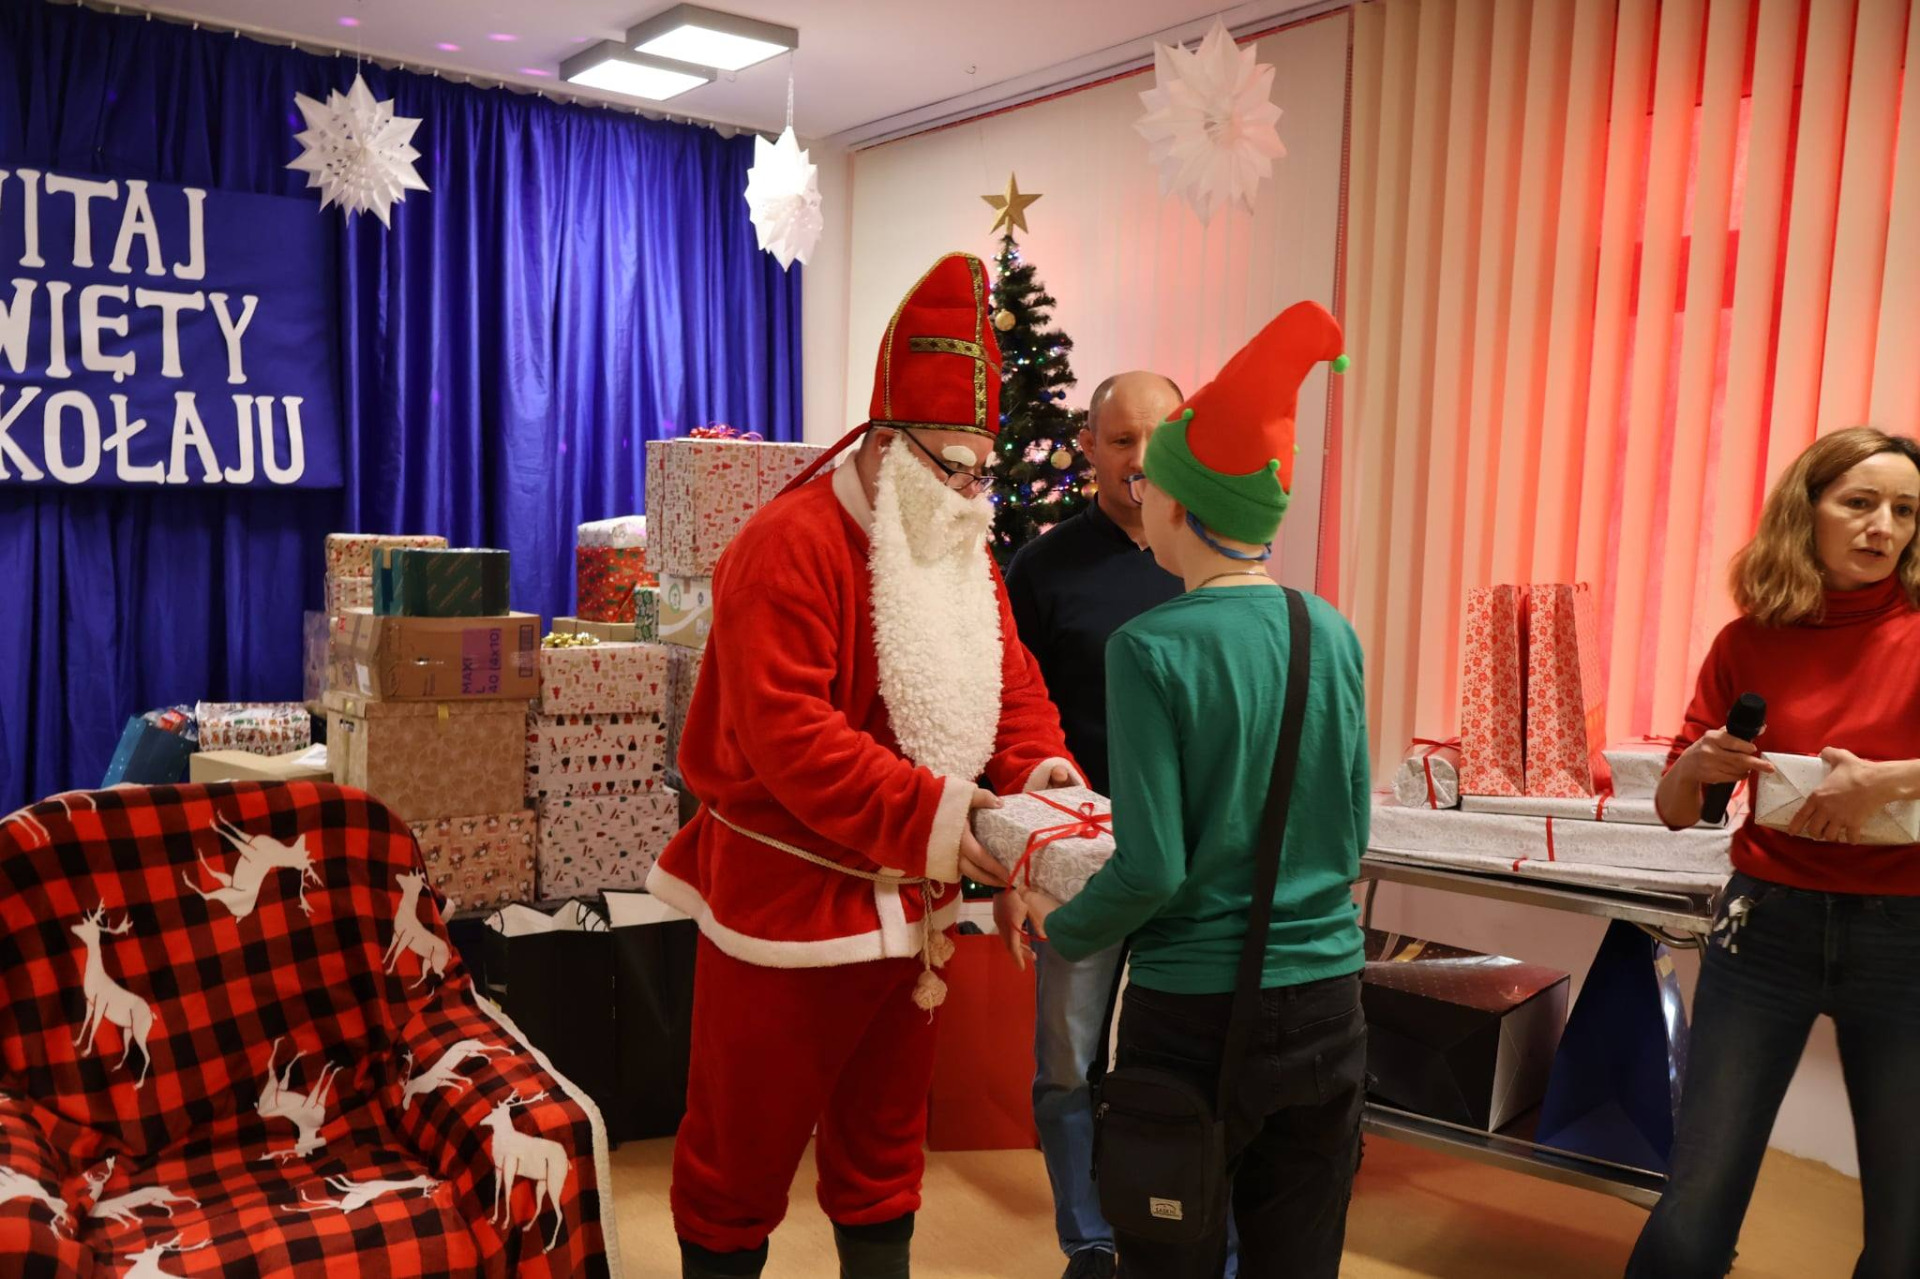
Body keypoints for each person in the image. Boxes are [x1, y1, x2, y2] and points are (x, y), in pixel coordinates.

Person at [646, 252, 1084, 1279]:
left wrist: (1042, 779)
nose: (973, 495)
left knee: (885, 1150)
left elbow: (1012, 687)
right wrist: (945, 820)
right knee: (740, 1153)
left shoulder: (958, 548)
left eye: (984, 472)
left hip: (912, 906)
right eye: (955, 468)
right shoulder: (784, 546)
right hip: (786, 908)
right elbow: (791, 737)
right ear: (887, 443)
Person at [1013, 302, 1370, 1279]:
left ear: (1177, 507)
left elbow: (1154, 867)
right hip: (1329, 1000)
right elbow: (1349, 836)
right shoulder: (1330, 630)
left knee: (1171, 1252)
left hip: (1196, 1015)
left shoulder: (1148, 646)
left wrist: (1063, 928)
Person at [1628, 427, 1920, 1279]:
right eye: (1860, 502)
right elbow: (1676, 812)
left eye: (1906, 510)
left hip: (1906, 937)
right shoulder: (1747, 640)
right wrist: (1696, 765)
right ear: (1808, 510)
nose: (1884, 527)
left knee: (1907, 1221)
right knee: (1697, 1198)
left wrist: (1888, 782)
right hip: (1765, 927)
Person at [1003, 370, 1186, 1279]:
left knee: (1182, 1059)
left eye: (1158, 438)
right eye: (1121, 440)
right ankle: (1089, 1238)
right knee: (1071, 1063)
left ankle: (1183, 1228)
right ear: (1088, 447)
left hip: (1189, 855)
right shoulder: (1039, 571)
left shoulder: (1207, 558)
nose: (1141, 459)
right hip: (1076, 858)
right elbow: (1007, 717)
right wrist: (1017, 864)